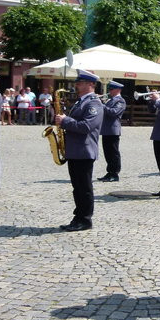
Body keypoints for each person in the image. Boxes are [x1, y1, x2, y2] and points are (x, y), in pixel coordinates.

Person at [55, 70, 104, 232]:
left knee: (84, 187)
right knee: (77, 187)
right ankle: (78, 217)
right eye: (77, 82)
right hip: (76, 150)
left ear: (91, 84)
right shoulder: (81, 101)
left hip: (84, 150)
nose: (77, 85)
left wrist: (65, 121)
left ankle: (85, 219)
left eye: (80, 82)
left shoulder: (93, 103)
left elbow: (86, 126)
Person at [98, 81, 126, 182]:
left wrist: (101, 104)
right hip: (106, 129)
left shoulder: (120, 101)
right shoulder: (111, 100)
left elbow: (113, 112)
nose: (109, 91)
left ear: (118, 90)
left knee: (113, 153)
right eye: (109, 89)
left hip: (113, 130)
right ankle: (109, 172)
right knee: (107, 152)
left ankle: (114, 173)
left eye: (111, 89)